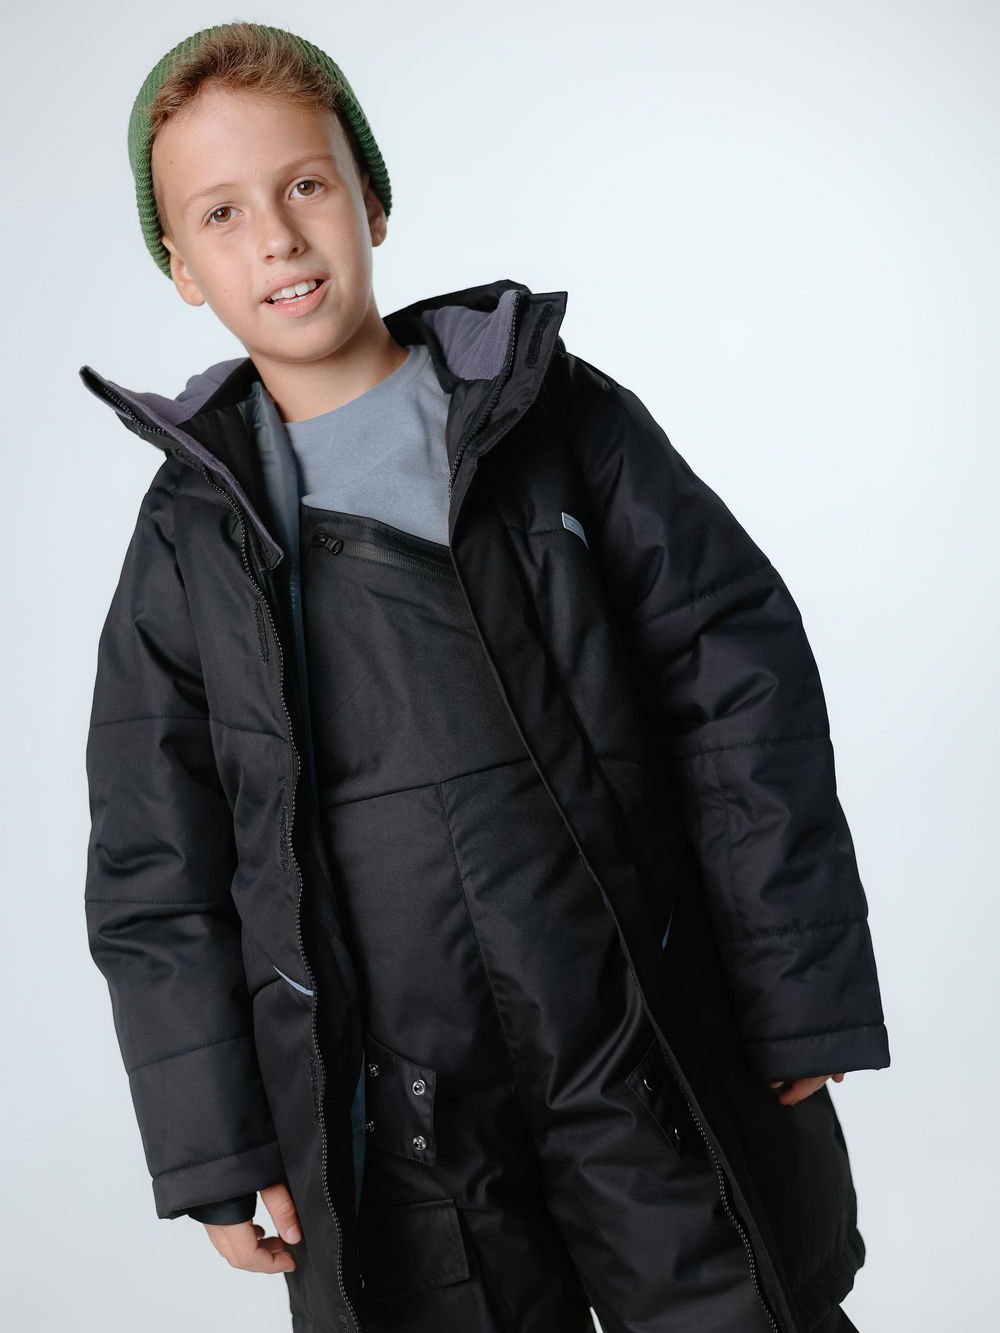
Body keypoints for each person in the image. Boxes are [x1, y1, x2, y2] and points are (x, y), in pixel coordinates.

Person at [81, 21, 889, 1333]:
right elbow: (153, 862)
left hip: (638, 1039)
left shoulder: (546, 418)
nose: (276, 238)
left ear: (371, 200)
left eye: (306, 184)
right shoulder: (190, 542)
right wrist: (213, 1137)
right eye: (221, 214)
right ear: (182, 265)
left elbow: (738, 684)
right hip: (398, 1112)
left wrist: (796, 989)